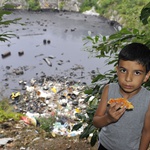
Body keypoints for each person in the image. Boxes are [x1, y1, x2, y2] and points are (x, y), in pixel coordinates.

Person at [93, 42, 150, 150]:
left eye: (137, 73)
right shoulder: (109, 89)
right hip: (105, 146)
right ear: (117, 71)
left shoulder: (148, 99)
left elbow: (147, 132)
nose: (128, 78)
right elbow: (96, 122)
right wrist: (108, 118)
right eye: (123, 70)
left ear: (146, 76)